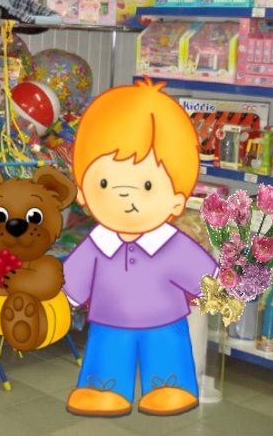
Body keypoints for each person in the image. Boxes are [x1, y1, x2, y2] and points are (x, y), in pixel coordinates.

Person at [63, 76, 218, 417]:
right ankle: (102, 389)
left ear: (176, 200)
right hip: (109, 317)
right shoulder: (98, 243)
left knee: (167, 355)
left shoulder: (171, 243)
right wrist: (61, 301)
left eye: (147, 185)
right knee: (106, 356)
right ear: (84, 192)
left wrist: (220, 290)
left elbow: (204, 277)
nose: (124, 194)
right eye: (106, 182)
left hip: (164, 317)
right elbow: (73, 280)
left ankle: (171, 387)